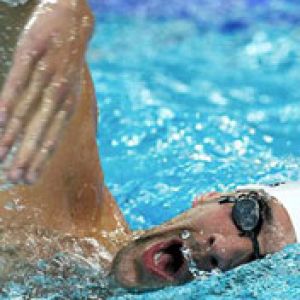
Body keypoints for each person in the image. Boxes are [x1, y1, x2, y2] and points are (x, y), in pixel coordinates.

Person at [0, 0, 298, 293]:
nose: (222, 248)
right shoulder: (54, 192)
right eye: (248, 216)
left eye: (257, 262)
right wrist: (64, 10)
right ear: (212, 197)